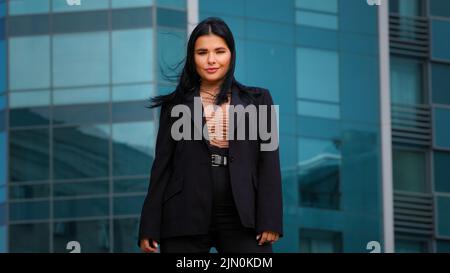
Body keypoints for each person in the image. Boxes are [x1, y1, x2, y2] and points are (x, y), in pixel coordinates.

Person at [138, 17, 283, 253]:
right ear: (192, 57)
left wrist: (271, 219)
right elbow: (162, 168)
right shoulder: (175, 105)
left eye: (219, 51)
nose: (211, 60)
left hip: (242, 215)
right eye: (202, 52)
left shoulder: (260, 100)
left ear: (231, 54)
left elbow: (269, 163)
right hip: (184, 213)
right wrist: (149, 225)